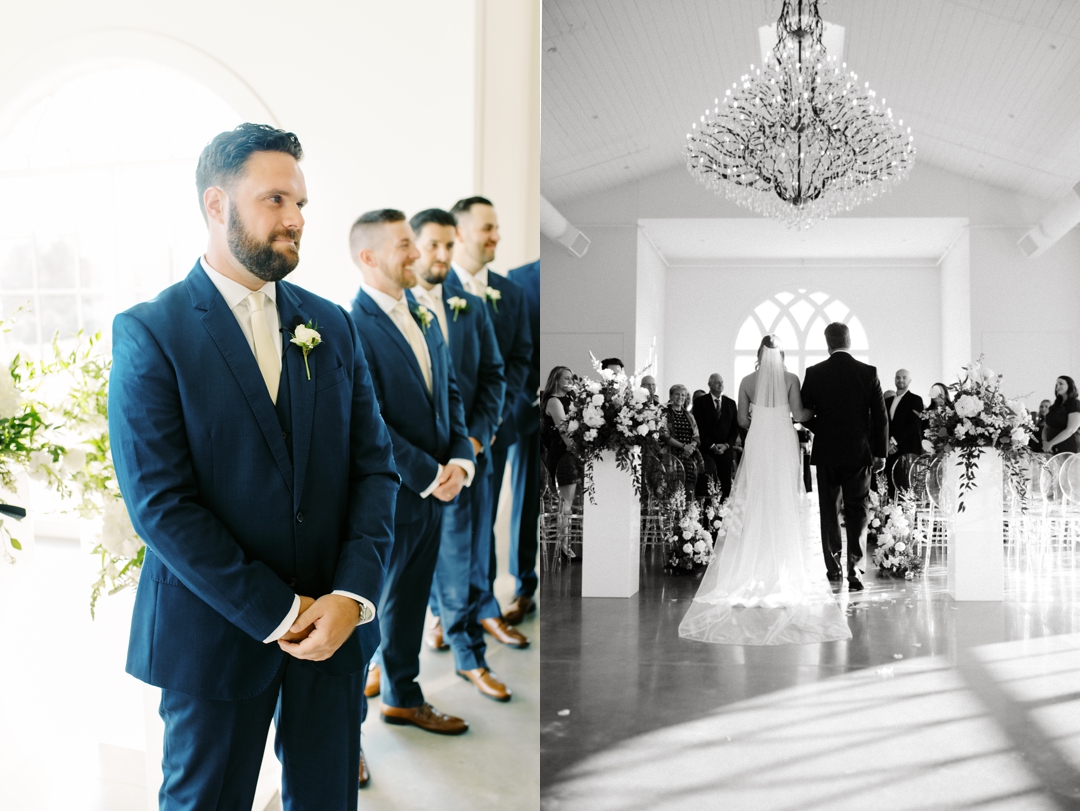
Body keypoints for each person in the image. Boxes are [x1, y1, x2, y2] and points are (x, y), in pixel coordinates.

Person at [108, 123, 400, 810]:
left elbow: (375, 469)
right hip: (214, 638)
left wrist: (351, 596)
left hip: (334, 635)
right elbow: (161, 505)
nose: (297, 218)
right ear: (217, 205)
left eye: (300, 202)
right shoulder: (152, 331)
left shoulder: (332, 325)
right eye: (275, 199)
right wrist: (280, 609)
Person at [349, 209, 476, 737]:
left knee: (409, 609)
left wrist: (461, 459)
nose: (417, 254)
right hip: (388, 499)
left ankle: (403, 696)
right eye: (404, 244)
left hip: (432, 493)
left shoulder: (423, 311)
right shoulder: (350, 325)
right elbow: (367, 419)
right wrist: (429, 473)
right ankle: (344, 735)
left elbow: (448, 392)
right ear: (369, 257)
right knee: (363, 620)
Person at [678, 335, 851, 646]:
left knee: (756, 499)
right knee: (784, 499)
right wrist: (821, 412)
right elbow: (799, 416)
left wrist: (761, 417)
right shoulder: (790, 378)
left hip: (759, 439)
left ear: (759, 354)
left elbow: (743, 419)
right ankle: (781, 567)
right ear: (780, 355)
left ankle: (752, 567)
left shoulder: (746, 380)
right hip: (784, 440)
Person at [406, 209, 511, 702]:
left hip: (468, 460)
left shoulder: (470, 305)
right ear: (413, 246)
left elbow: (494, 377)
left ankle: (470, 656)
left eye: (450, 245)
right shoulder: (394, 308)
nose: (444, 256)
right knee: (404, 567)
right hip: (410, 470)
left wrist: (474, 441)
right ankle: (401, 653)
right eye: (434, 246)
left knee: (467, 560)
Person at [443, 196, 531, 649]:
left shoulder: (511, 292)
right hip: (443, 436)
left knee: (485, 523)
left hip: (494, 433)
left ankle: (484, 607)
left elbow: (518, 361)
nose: (497, 236)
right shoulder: (432, 291)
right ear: (459, 233)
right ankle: (445, 614)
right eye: (488, 228)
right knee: (445, 530)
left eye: (497, 227)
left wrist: (492, 420)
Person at [801, 322, 888, 591]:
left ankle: (833, 568)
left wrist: (823, 429)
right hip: (858, 453)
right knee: (858, 511)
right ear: (849, 341)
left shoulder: (815, 373)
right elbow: (881, 417)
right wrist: (880, 452)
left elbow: (804, 412)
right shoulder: (867, 372)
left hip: (827, 452)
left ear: (827, 343)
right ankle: (855, 569)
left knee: (829, 511)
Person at [506, 258, 541, 625]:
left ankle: (527, 586)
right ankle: (521, 588)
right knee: (519, 502)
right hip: (522, 409)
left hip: (576, 410)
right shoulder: (517, 279)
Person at [542, 366, 582, 558]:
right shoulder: (553, 401)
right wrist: (577, 449)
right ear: (556, 380)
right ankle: (564, 548)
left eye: (571, 378)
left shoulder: (572, 399)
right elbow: (565, 432)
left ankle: (567, 545)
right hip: (563, 456)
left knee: (571, 502)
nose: (570, 381)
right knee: (566, 502)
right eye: (566, 378)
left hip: (573, 455)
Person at [692, 373, 740, 499]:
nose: (720, 384)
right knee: (708, 486)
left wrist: (726, 445)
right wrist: (711, 445)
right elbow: (699, 427)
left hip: (726, 452)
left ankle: (724, 516)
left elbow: (735, 428)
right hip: (707, 452)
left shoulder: (731, 403)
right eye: (717, 382)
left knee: (725, 487)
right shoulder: (700, 402)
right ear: (710, 384)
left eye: (722, 382)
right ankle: (709, 516)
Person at [658, 384, 706, 498]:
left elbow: (696, 436)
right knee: (671, 491)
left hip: (687, 458)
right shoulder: (664, 413)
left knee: (687, 492)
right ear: (671, 396)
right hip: (670, 458)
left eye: (683, 395)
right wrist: (684, 446)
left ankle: (688, 515)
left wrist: (690, 448)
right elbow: (663, 435)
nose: (680, 397)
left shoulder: (689, 415)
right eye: (677, 394)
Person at [884, 369, 925, 496]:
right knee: (890, 487)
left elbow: (913, 424)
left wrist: (893, 441)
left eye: (904, 377)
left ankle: (906, 515)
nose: (900, 380)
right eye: (898, 377)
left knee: (905, 488)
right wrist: (887, 444)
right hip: (890, 451)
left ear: (909, 380)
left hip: (907, 450)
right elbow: (884, 425)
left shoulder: (915, 400)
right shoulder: (888, 401)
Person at [1043, 376, 1080, 455]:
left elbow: (1070, 430)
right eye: (1056, 385)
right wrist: (1045, 442)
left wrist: (1050, 443)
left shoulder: (1075, 404)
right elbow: (1046, 427)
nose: (1058, 387)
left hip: (1069, 447)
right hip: (1052, 448)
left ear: (1069, 386)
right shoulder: (1055, 406)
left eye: (1061, 384)